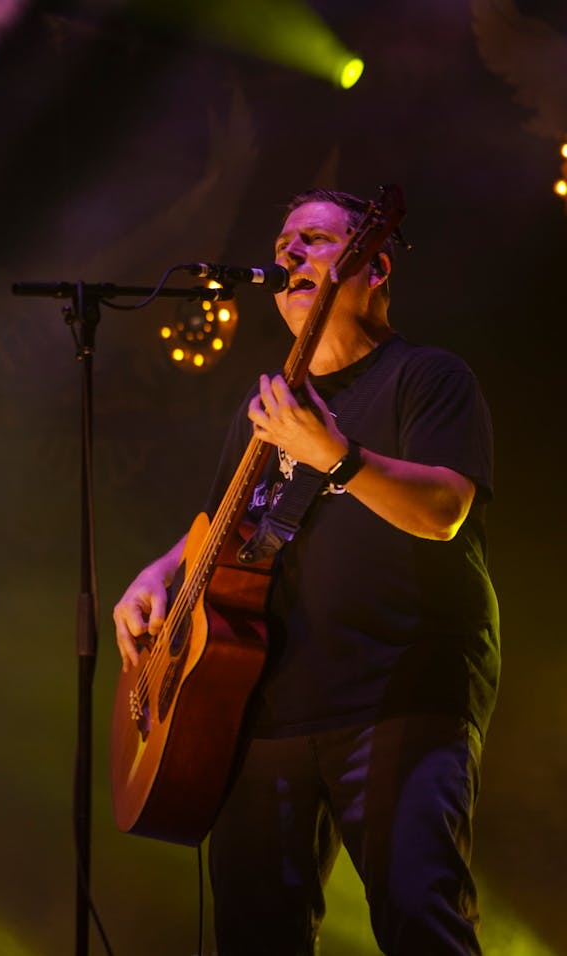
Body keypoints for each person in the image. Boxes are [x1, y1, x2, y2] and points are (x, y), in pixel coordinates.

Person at [112, 189, 496, 955]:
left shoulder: (428, 376)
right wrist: (155, 574)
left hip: (399, 691)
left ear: (372, 266)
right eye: (283, 241)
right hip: (261, 708)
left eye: (313, 240)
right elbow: (219, 527)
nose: (285, 254)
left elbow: (443, 509)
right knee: (255, 937)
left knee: (422, 919)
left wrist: (337, 457)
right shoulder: (266, 410)